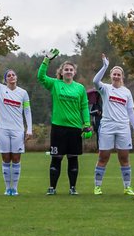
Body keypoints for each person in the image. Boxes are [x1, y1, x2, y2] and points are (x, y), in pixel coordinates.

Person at [37, 49, 93, 195]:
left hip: (75, 129)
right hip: (58, 128)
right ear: (61, 72)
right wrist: (46, 60)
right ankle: (52, 188)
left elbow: (84, 107)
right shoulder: (55, 84)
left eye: (71, 69)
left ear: (74, 72)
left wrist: (86, 124)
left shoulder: (80, 88)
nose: (68, 71)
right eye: (66, 69)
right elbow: (41, 77)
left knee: (73, 159)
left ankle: (72, 188)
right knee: (56, 158)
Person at [0, 49, 33, 196]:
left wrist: (29, 129)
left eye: (13, 75)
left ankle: (15, 188)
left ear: (16, 78)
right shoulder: (0, 89)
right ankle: (7, 188)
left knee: (16, 158)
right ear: (5, 80)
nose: (11, 77)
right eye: (8, 75)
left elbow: (27, 111)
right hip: (3, 129)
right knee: (6, 158)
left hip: (18, 130)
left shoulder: (23, 93)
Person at [91, 55, 134, 196]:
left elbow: (130, 112)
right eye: (114, 74)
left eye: (119, 74)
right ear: (111, 76)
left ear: (122, 77)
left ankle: (127, 187)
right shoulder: (105, 88)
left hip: (123, 127)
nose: (116, 76)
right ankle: (97, 187)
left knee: (124, 157)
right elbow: (95, 81)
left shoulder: (127, 92)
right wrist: (105, 66)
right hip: (107, 126)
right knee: (103, 156)